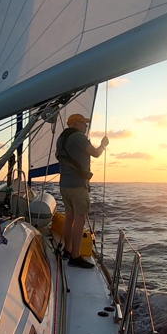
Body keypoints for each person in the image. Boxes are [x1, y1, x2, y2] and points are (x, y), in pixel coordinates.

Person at [56, 113, 108, 269]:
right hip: (78, 186)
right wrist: (103, 145)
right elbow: (96, 153)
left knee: (69, 217)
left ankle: (67, 250)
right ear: (76, 123)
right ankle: (75, 256)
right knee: (79, 219)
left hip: (64, 185)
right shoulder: (78, 137)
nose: (86, 126)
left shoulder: (61, 138)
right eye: (84, 123)